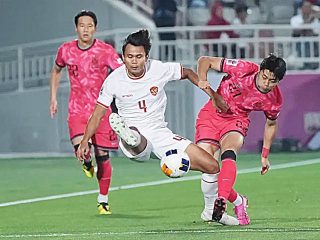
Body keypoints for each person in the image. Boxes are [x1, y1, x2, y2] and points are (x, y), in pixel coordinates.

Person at [77, 29, 238, 225]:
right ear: (123, 57)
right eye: (129, 57)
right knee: (136, 139)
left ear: (146, 57)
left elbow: (187, 72)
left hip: (161, 134)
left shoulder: (158, 69)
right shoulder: (114, 81)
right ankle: (128, 135)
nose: (134, 61)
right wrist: (85, 140)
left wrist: (213, 95)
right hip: (135, 136)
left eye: (139, 56)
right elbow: (97, 114)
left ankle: (209, 211)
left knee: (212, 166)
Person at [196, 54, 287, 225]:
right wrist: (202, 80)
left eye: (272, 81)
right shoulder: (243, 68)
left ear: (279, 81)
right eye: (264, 77)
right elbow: (204, 61)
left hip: (237, 120)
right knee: (209, 167)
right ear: (260, 71)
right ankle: (239, 201)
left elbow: (271, 124)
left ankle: (220, 202)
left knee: (229, 152)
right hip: (211, 115)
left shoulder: (275, 100)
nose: (266, 83)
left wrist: (265, 154)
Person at [49, 10, 123, 215]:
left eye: (90, 26)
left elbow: (121, 73)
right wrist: (53, 97)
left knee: (103, 155)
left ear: (95, 28)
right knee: (82, 151)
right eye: (82, 25)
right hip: (77, 110)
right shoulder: (65, 50)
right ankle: (86, 163)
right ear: (76, 28)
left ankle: (103, 201)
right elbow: (56, 70)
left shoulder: (105, 51)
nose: (86, 29)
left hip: (101, 110)